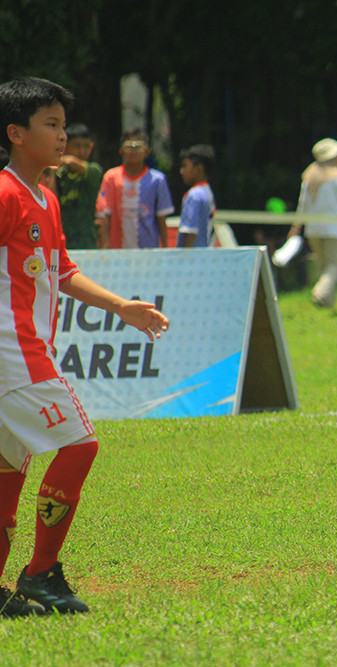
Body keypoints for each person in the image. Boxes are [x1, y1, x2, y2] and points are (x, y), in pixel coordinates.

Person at [0, 77, 169, 616]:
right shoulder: (4, 193)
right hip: (13, 354)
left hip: (24, 354)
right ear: (16, 134)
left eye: (62, 123)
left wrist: (122, 307)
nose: (62, 134)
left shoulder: (45, 199)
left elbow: (64, 272)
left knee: (7, 478)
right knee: (80, 444)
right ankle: (42, 572)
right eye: (50, 124)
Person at [288, 137, 337, 312]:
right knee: (336, 264)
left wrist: (296, 226)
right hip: (334, 229)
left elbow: (303, 204)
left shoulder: (309, 175)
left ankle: (327, 303)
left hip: (313, 229)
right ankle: (320, 293)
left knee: (325, 265)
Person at [94, 129, 174, 249]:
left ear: (147, 151)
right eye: (129, 146)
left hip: (148, 250)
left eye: (138, 146)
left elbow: (162, 218)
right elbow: (104, 215)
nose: (133, 150)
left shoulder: (157, 180)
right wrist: (104, 249)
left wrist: (165, 249)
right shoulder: (111, 177)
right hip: (118, 251)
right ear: (121, 151)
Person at [55, 123, 102, 249]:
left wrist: (55, 160)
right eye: (77, 146)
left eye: (86, 146)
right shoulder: (58, 173)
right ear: (66, 147)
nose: (82, 151)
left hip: (86, 241)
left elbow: (71, 162)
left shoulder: (94, 170)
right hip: (61, 239)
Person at [176, 144, 217, 248]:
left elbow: (190, 232)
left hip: (194, 259)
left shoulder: (194, 195)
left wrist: (184, 260)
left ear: (199, 168)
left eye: (185, 166)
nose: (181, 171)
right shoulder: (207, 191)